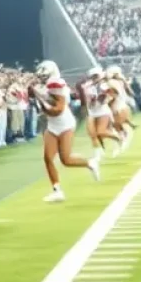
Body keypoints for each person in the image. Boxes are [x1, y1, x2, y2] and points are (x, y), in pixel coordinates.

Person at [30, 60, 100, 203]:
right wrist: (35, 93)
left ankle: (90, 163)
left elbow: (57, 110)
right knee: (48, 157)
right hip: (52, 125)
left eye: (44, 75)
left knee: (66, 160)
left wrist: (38, 96)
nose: (41, 78)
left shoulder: (57, 85)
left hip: (65, 124)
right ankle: (57, 191)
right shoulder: (43, 86)